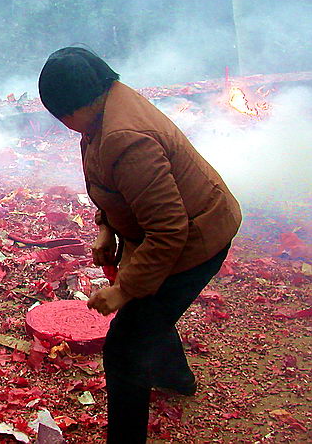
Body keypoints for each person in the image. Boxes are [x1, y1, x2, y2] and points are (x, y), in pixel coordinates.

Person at [37, 47, 241, 443]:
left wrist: (123, 289)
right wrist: (105, 229)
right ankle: (176, 378)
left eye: (63, 117)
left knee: (126, 345)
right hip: (169, 228)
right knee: (150, 313)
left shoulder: (125, 137)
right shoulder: (103, 109)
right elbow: (113, 187)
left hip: (198, 239)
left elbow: (168, 232)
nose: (64, 125)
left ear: (79, 105)